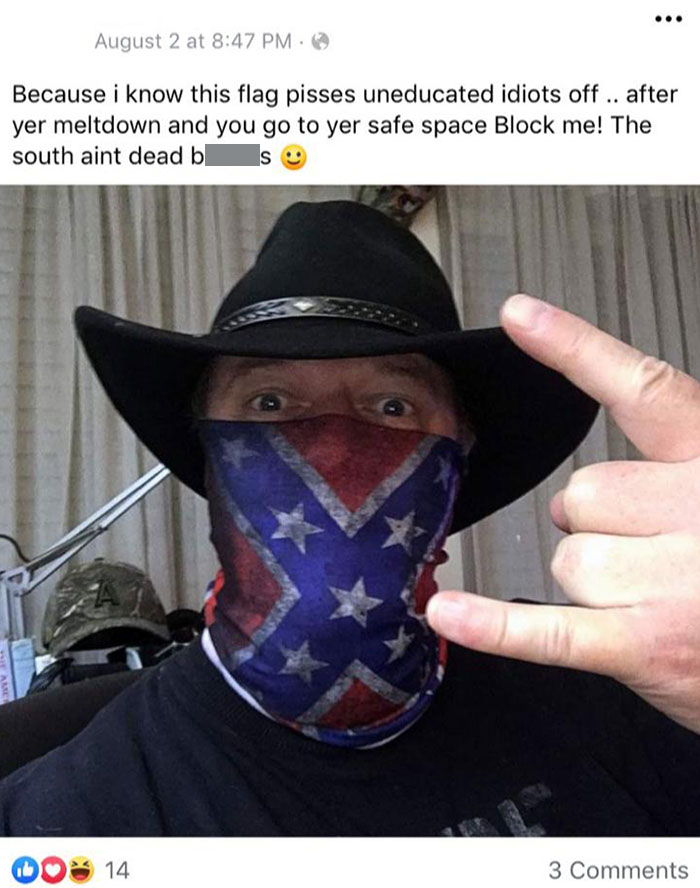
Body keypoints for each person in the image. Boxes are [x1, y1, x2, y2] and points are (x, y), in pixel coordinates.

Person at [1, 200, 699, 836]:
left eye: (392, 406)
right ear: (209, 458)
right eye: (270, 403)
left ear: (459, 460)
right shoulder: (67, 821)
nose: (333, 447)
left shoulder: (624, 697)